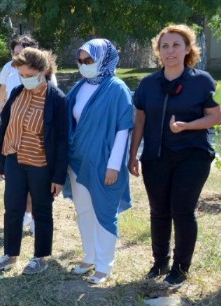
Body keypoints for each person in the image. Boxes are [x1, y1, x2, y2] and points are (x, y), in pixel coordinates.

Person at [129, 24, 221, 287]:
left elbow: (216, 116)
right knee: (158, 211)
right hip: (155, 156)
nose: (170, 51)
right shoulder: (147, 84)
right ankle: (160, 263)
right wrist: (133, 154)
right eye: (165, 46)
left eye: (176, 45)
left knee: (182, 210)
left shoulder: (201, 80)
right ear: (158, 51)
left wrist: (187, 126)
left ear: (188, 49)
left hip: (192, 156)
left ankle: (180, 269)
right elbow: (140, 121)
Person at [0, 47, 68, 275]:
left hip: (41, 165)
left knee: (41, 211)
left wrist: (58, 176)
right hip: (15, 160)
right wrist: (2, 160)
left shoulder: (57, 100)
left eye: (28, 75)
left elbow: (63, 140)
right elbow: (6, 127)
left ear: (43, 71)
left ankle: (41, 257)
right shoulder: (16, 93)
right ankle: (10, 254)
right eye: (21, 75)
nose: (24, 80)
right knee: (13, 209)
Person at [64, 39, 134, 285]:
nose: (84, 65)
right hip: (78, 162)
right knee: (84, 211)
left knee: (104, 212)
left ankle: (104, 266)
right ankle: (89, 257)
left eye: (89, 60)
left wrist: (114, 165)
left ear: (104, 59)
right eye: (80, 61)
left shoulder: (117, 88)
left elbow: (123, 129)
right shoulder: (79, 87)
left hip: (105, 164)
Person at [0, 34, 49, 233]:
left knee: (35, 182)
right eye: (14, 52)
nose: (16, 56)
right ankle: (25, 214)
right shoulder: (10, 71)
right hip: (14, 132)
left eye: (21, 53)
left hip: (35, 137)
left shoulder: (42, 76)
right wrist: (3, 109)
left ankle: (36, 216)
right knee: (17, 181)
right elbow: (3, 90)